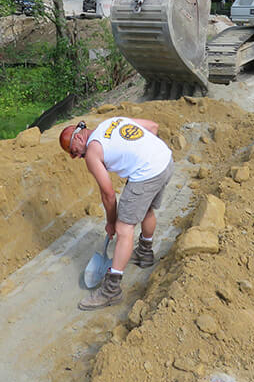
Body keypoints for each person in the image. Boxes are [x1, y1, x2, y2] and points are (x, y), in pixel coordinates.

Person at [59, 116, 174, 310]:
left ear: (78, 139)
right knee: (146, 209)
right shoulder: (112, 121)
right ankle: (144, 254)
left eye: (73, 152)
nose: (75, 157)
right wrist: (141, 160)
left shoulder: (92, 152)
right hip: (165, 160)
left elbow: (109, 194)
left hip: (147, 172)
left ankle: (111, 290)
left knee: (123, 228)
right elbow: (153, 126)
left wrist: (111, 222)